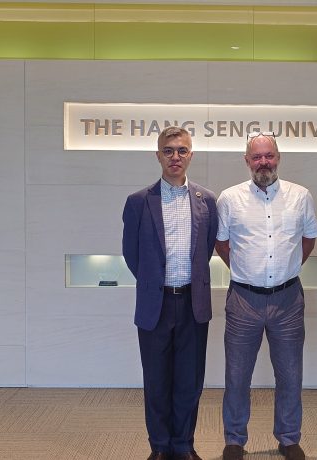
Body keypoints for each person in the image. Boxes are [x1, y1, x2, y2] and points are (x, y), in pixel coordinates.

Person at [215, 132, 317, 460]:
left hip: (288, 300)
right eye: (257, 157)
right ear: (247, 161)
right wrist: (248, 271)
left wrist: (287, 270)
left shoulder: (300, 196)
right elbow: (221, 243)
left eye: (269, 156)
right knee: (236, 375)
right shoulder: (229, 199)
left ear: (278, 157)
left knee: (290, 373)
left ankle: (288, 438)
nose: (264, 162)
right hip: (243, 300)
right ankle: (235, 439)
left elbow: (308, 239)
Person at [122, 126, 218, 460]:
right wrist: (153, 284)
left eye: (181, 150)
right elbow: (131, 255)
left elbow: (204, 251)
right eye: (168, 150)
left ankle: (184, 445)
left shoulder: (207, 201)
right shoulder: (138, 202)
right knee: (157, 381)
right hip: (155, 304)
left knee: (189, 382)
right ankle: (160, 447)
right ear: (158, 155)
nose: (175, 157)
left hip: (193, 303)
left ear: (191, 154)